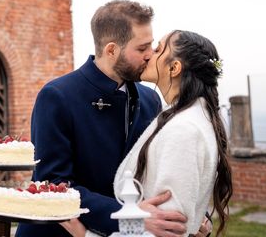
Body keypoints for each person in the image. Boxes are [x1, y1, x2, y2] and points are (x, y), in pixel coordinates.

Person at [16, 0, 194, 237]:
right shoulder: (57, 96)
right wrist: (131, 215)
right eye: (142, 49)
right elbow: (54, 184)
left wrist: (191, 214)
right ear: (111, 50)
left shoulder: (150, 99)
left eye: (151, 46)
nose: (150, 55)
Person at [63, 30, 233, 237]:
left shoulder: (183, 129)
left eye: (158, 49)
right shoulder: (191, 116)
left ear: (174, 67)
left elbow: (165, 229)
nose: (149, 54)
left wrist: (87, 236)